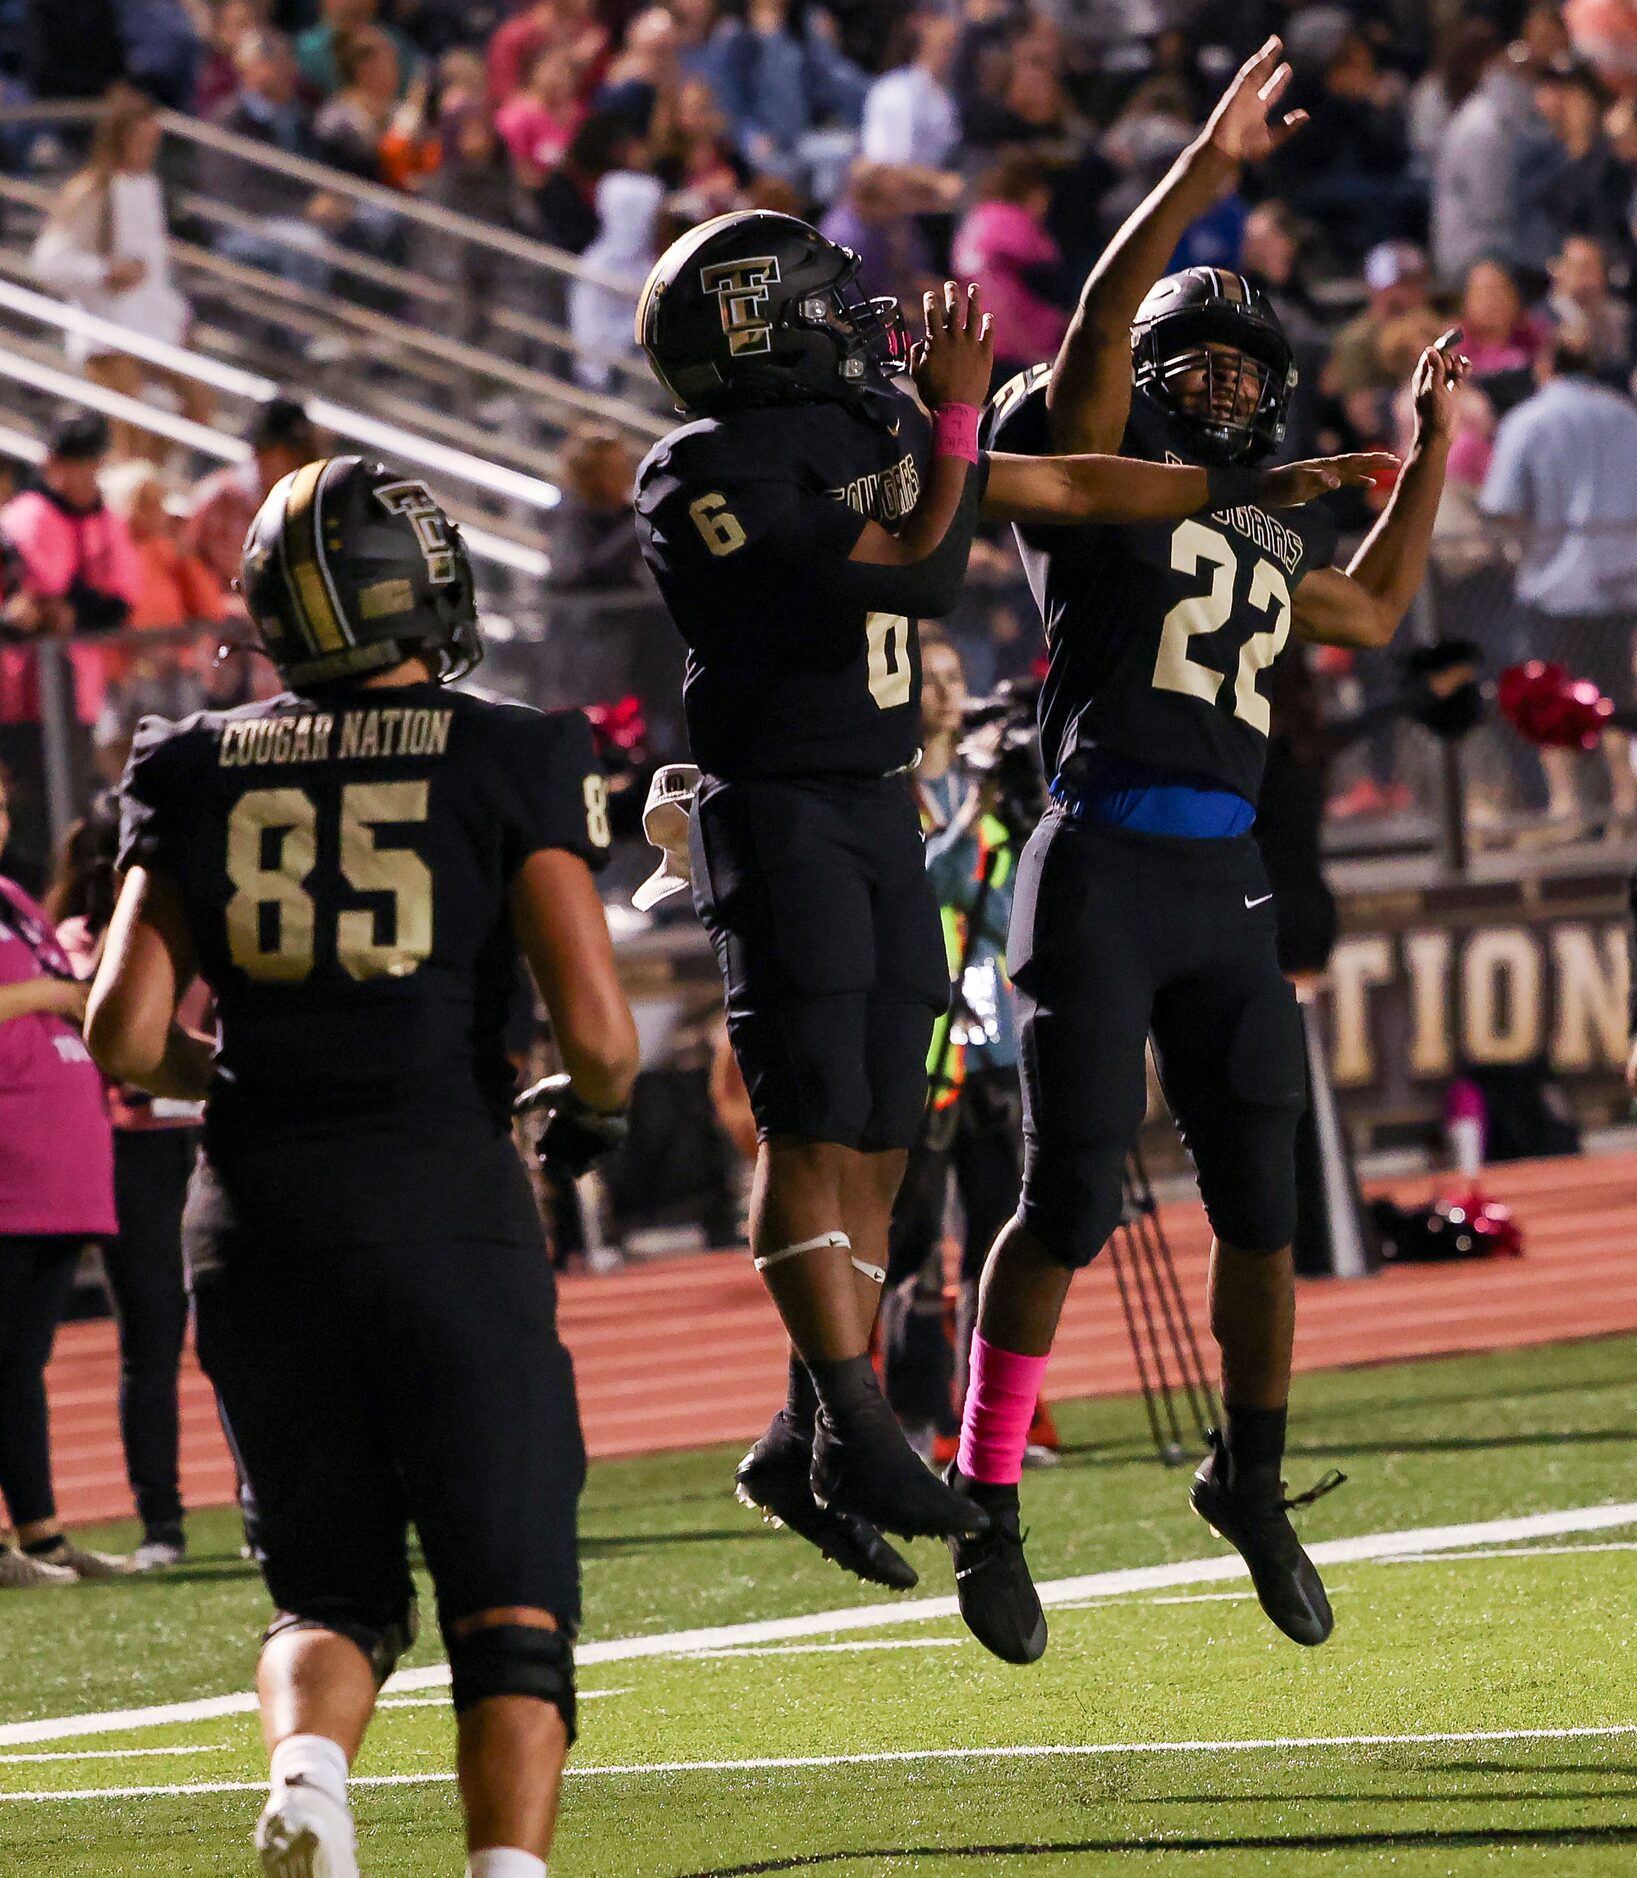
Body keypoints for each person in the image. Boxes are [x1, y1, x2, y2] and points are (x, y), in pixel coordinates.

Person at [631, 205, 1381, 1583]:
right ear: (758, 326)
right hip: (789, 801)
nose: (853, 322)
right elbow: (928, 566)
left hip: (869, 799)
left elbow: (1081, 491)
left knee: (880, 1137)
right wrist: (963, 420)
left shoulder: (862, 431)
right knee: (828, 1129)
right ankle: (855, 1423)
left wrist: (1264, 495)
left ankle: (810, 1426)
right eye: (822, 302)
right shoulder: (700, 468)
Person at [950, 37, 1462, 1668]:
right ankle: (986, 1492)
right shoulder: (1090, 465)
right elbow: (1102, 317)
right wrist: (1207, 170)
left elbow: (1373, 609)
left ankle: (1244, 1472)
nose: (1233, 387)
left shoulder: (1254, 512)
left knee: (1266, 1212)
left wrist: (1430, 441)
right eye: (1209, 363)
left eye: (1253, 370)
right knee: (1066, 1200)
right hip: (1098, 863)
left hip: (1225, 883)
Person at [86, 458, 638, 1878]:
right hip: (441, 1193)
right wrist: (582, 1109)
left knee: (327, 1583)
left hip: (256, 1211)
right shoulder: (509, 748)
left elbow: (126, 1031)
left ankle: (313, 1782)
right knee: (508, 1595)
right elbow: (603, 1035)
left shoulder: (193, 757)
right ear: (424, 588)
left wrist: (266, 1076)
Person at [881, 632, 1029, 1464]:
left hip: (995, 1040)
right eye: (927, 679)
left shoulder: (998, 790)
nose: (942, 692)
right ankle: (914, 1413)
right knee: (913, 1244)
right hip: (926, 1044)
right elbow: (925, 884)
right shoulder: (893, 790)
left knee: (997, 1233)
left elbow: (1010, 904)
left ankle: (991, 1421)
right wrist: (971, 819)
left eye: (952, 676)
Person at [51, 792, 199, 1569]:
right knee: (151, 1339)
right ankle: (162, 1524)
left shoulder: (199, 916)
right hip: (136, 1149)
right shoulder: (78, 937)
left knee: (243, 1333)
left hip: (204, 1137)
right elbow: (105, 1026)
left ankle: (262, 1507)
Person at [0, 769, 126, 1587]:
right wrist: (49, 992)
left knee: (20, 1360)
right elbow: (52, 996)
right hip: (7, 1165)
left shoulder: (13, 895)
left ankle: (41, 1533)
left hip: (55, 1166)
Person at [1479, 326, 1637, 828]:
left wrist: (1534, 533)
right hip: (1621, 583)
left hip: (1553, 584)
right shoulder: (1625, 416)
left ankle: (1568, 804)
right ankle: (1627, 798)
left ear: (1545, 368)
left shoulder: (1528, 420)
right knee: (1617, 694)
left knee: (1548, 697)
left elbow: (1500, 505)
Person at [31, 85, 212, 460]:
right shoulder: (91, 189)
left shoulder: (147, 186)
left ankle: (146, 479)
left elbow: (155, 270)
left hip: (153, 324)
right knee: (131, 431)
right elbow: (47, 260)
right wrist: (105, 272)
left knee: (199, 405)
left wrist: (180, 318)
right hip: (106, 327)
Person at [187, 397, 323, 591]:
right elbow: (184, 562)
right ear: (262, 452)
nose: (297, 466)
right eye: (287, 456)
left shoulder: (301, 514)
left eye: (302, 457)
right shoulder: (219, 497)